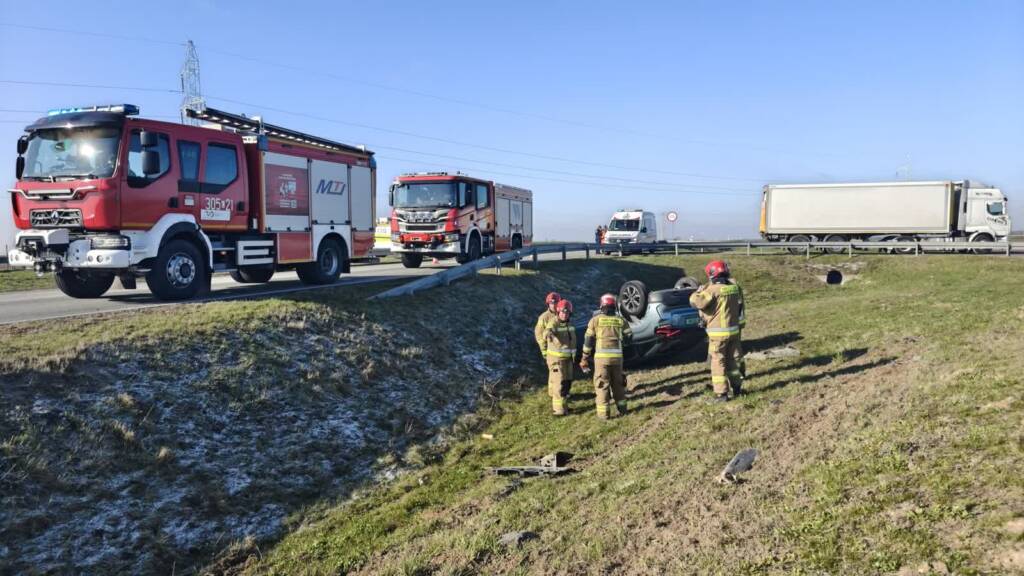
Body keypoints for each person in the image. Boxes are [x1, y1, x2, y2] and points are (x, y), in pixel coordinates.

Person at [689, 260, 744, 402]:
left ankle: (721, 394)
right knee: (732, 362)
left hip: (718, 335)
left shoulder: (712, 290)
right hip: (733, 332)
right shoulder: (734, 287)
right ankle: (737, 388)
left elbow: (698, 302)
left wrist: (698, 291)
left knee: (718, 362)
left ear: (712, 274)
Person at [580, 293, 632, 419]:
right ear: (614, 306)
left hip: (601, 360)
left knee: (602, 385)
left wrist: (585, 357)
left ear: (601, 306)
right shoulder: (621, 320)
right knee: (618, 385)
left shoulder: (595, 320)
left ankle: (604, 415)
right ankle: (623, 410)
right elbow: (629, 337)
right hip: (617, 359)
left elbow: (588, 341)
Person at [540, 299, 577, 415]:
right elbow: (546, 332)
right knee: (559, 384)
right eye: (562, 312)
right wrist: (550, 334)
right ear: (558, 312)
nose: (564, 314)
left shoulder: (569, 325)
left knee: (566, 384)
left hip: (568, 360)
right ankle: (559, 410)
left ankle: (564, 406)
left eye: (567, 312)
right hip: (557, 360)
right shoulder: (553, 322)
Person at [534, 292, 561, 359]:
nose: (554, 305)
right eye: (552, 303)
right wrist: (545, 352)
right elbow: (539, 336)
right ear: (548, 304)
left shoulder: (563, 315)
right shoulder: (544, 317)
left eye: (556, 302)